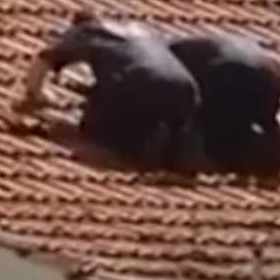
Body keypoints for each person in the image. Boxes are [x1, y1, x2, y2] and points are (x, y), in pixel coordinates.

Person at [15, 11, 201, 169]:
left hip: (139, 81)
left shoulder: (87, 31)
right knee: (171, 130)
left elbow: (44, 60)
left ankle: (129, 150)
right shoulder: (141, 32)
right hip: (185, 86)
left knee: (93, 130)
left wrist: (36, 95)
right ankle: (175, 160)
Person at [167, 31, 280, 173]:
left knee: (216, 132)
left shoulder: (170, 59)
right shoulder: (190, 50)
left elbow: (196, 109)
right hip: (269, 72)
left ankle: (228, 158)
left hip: (229, 73)